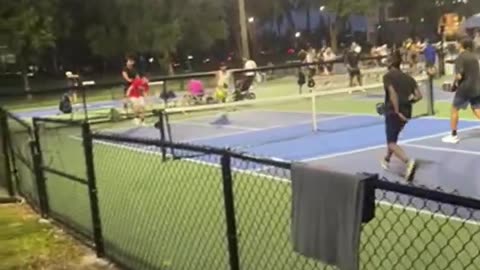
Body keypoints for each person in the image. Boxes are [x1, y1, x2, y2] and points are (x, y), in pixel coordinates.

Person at [381, 56, 423, 181]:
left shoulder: (387, 77)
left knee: (391, 142)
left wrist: (397, 110)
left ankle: (408, 162)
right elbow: (419, 96)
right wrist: (408, 102)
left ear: (390, 64)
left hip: (394, 111)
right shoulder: (409, 78)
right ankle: (387, 158)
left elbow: (392, 93)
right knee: (393, 137)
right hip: (407, 112)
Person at [442, 37, 480, 144]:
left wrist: (454, 85)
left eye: (458, 43)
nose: (457, 45)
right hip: (477, 87)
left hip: (465, 88)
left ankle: (453, 135)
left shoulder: (460, 58)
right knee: (477, 109)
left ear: (462, 45)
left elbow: (459, 76)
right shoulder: (474, 57)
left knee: (454, 109)